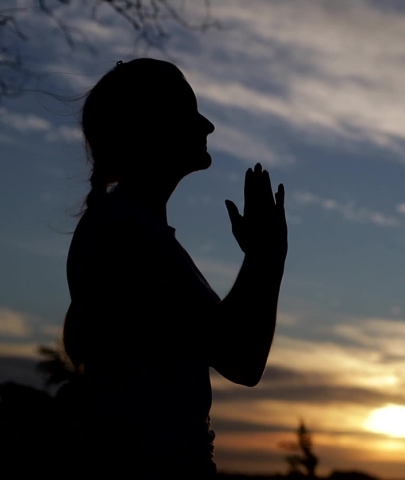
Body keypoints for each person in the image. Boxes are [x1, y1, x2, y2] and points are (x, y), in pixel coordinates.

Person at [63, 58, 288, 478]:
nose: (207, 126)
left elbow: (235, 353)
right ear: (150, 127)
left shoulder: (131, 230)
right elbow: (242, 359)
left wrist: (263, 257)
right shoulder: (126, 235)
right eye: (188, 112)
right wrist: (266, 257)